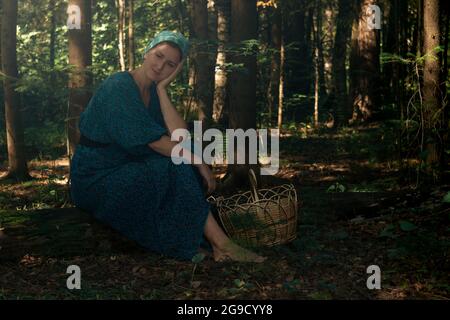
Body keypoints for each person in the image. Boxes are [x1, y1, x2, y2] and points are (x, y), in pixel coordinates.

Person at [70, 31, 265, 263]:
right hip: (96, 179)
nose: (161, 65)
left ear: (176, 69)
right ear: (147, 51)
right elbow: (153, 141)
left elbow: (181, 137)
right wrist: (198, 161)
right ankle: (222, 245)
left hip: (126, 168)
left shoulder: (153, 91)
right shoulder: (118, 86)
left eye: (170, 63)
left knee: (183, 155)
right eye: (158, 55)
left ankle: (205, 242)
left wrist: (162, 90)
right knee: (178, 163)